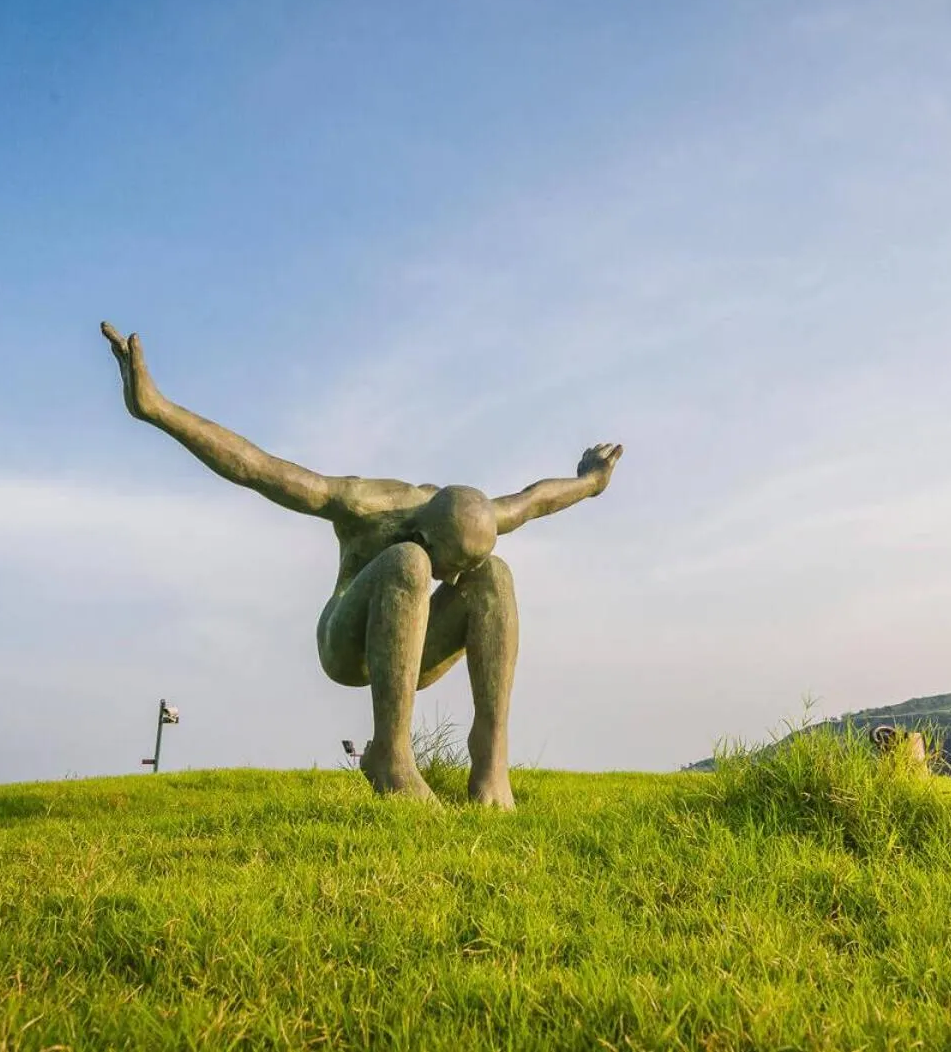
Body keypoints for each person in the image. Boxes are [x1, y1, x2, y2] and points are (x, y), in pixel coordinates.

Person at [101, 322, 621, 808]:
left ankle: (491, 757)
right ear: (425, 528)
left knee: (497, 577)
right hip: (347, 643)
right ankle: (391, 757)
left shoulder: (469, 518)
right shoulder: (363, 505)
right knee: (410, 565)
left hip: (415, 649)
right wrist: (155, 408)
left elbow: (533, 501)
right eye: (451, 563)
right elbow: (256, 467)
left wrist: (592, 482)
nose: (453, 580)